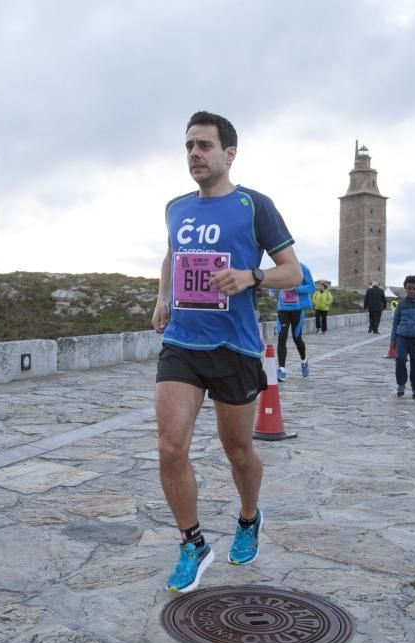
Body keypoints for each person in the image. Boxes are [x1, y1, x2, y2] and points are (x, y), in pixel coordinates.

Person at [152, 111, 302, 593]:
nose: (194, 154)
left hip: (234, 346)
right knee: (170, 447)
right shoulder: (176, 207)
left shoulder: (254, 206)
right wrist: (161, 298)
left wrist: (251, 276)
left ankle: (249, 516)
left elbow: (293, 271)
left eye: (204, 146)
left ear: (229, 153)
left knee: (238, 451)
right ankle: (192, 543)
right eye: (189, 146)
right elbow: (173, 254)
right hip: (182, 342)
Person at [276, 263, 315, 380]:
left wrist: (296, 289)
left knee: (296, 338)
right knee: (281, 337)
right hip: (283, 308)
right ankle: (281, 369)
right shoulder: (279, 268)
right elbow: (274, 283)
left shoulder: (303, 268)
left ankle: (304, 360)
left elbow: (312, 287)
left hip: (297, 309)